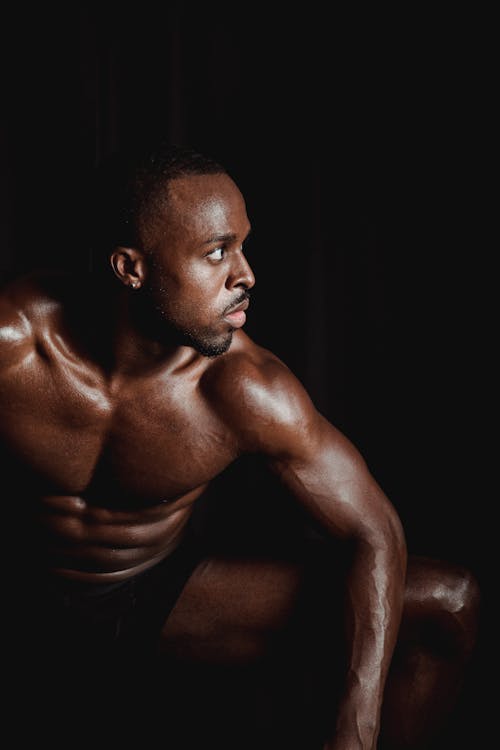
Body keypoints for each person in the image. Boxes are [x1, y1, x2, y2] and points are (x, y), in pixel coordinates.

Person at [1, 142, 480, 750]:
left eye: (243, 245)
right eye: (216, 252)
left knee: (449, 603)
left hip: (149, 597)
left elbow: (374, 530)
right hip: (18, 589)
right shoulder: (14, 345)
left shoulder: (246, 390)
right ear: (131, 269)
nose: (246, 274)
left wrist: (356, 726)